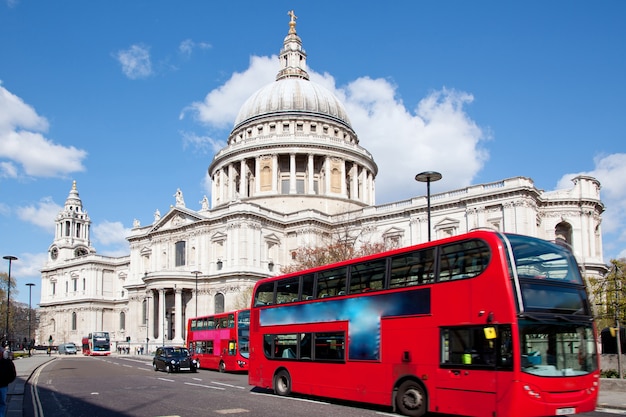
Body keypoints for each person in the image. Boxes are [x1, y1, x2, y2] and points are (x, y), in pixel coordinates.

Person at [0, 346, 17, 417]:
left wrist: (6, 381)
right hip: (3, 386)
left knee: (2, 403)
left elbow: (12, 374)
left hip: (3, 386)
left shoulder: (7, 362)